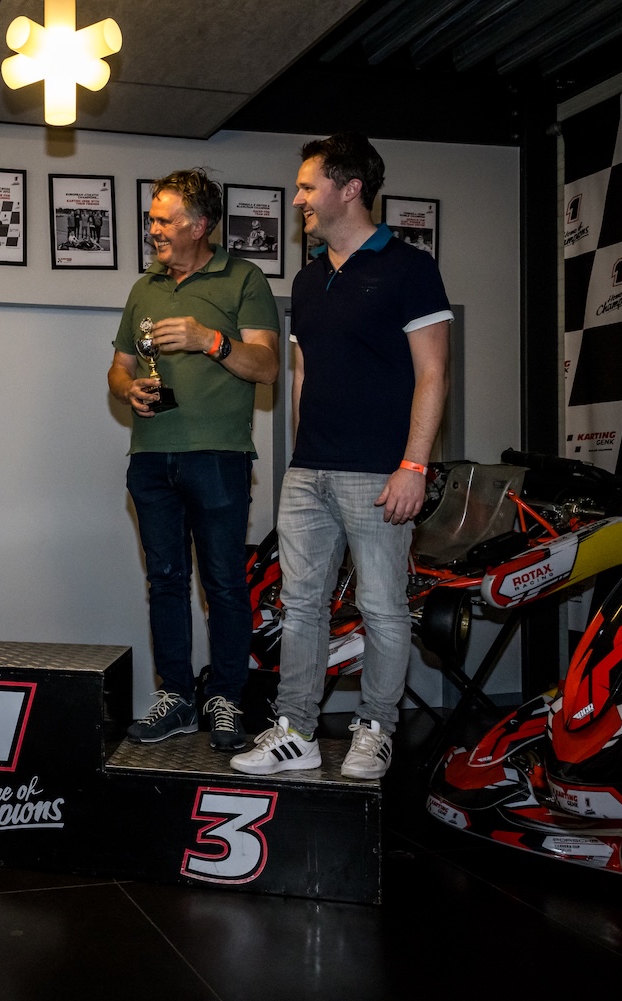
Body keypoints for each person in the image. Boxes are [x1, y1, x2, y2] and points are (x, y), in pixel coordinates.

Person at [231, 132, 451, 781]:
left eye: (308, 185)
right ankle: (296, 731)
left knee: (382, 607)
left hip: (381, 472)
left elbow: (434, 373)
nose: (297, 198)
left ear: (349, 188)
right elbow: (303, 373)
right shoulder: (307, 277)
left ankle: (376, 728)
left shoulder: (409, 268)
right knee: (299, 606)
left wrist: (414, 466)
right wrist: (301, 459)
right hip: (310, 471)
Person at [107, 168, 280, 751]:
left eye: (165, 220)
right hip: (151, 458)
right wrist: (127, 389)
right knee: (165, 582)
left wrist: (210, 340)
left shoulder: (244, 278)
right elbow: (119, 368)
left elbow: (268, 367)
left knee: (225, 584)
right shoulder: (145, 287)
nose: (153, 229)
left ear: (200, 225)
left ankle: (226, 699)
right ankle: (176, 697)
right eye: (152, 219)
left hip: (219, 458)